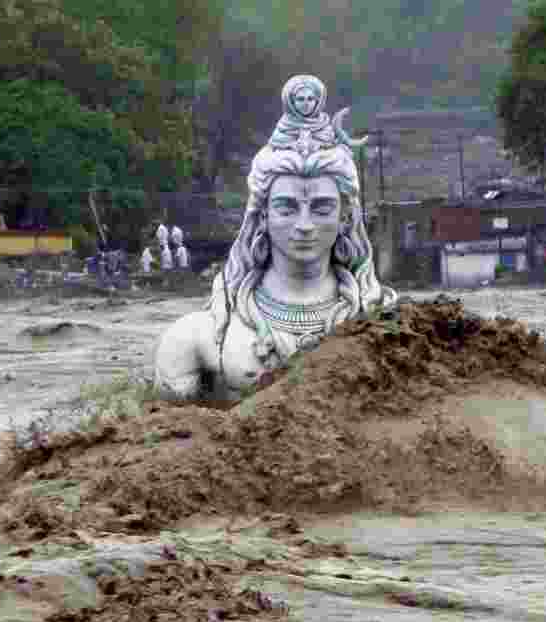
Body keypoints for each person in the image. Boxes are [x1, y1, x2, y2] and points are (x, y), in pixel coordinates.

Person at [153, 75, 396, 399]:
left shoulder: (381, 320)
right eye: (287, 207)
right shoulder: (201, 336)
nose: (305, 224)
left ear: (344, 217)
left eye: (322, 208)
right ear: (262, 216)